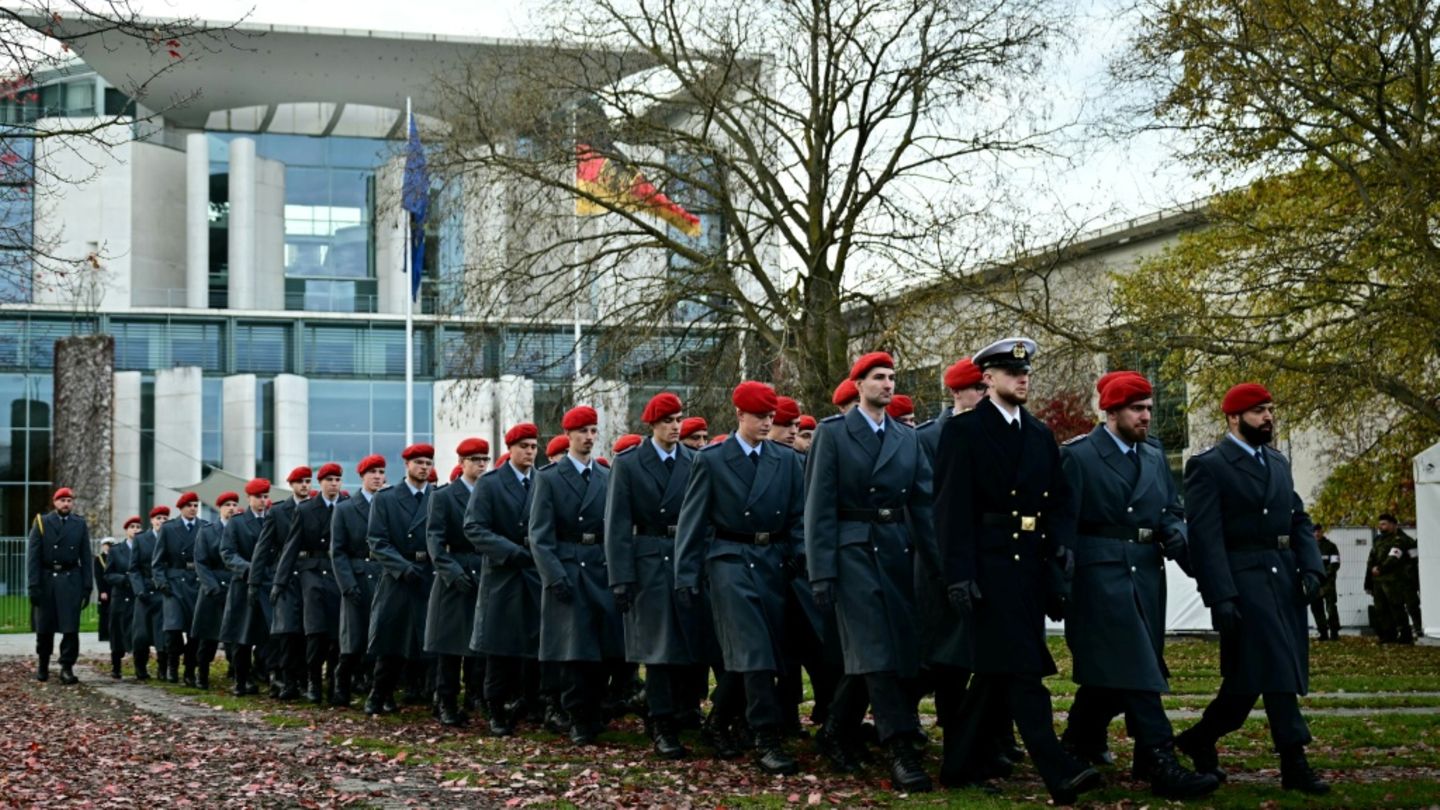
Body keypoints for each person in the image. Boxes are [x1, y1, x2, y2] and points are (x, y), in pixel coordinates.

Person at [932, 337, 1101, 804]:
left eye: (1025, 371)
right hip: (987, 568)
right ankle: (1057, 767)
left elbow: (1061, 499)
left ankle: (958, 763)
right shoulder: (964, 432)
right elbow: (950, 510)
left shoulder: (1039, 434)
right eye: (1010, 372)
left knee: (995, 674)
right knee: (1022, 670)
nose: (1022, 378)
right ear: (987, 378)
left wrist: (1062, 546)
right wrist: (958, 574)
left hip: (1029, 567)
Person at [1057, 372, 1217, 799]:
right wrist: (1060, 583)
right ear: (1111, 412)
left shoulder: (1153, 453)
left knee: (1117, 672)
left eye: (1148, 408)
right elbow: (1063, 526)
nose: (1147, 416)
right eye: (1136, 409)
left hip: (1146, 573)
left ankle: (1078, 740)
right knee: (1139, 666)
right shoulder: (1079, 455)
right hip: (1099, 573)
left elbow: (1167, 510)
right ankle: (1160, 759)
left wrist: (1192, 556)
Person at [1175, 382, 1329, 794]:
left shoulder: (1277, 462)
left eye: (1271, 410)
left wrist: (1312, 568)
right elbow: (1205, 538)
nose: (1268, 418)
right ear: (1233, 417)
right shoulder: (1210, 466)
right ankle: (1294, 761)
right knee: (1277, 669)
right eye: (1259, 411)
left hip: (1282, 578)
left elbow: (1297, 517)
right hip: (1244, 581)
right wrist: (1220, 596)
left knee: (1245, 685)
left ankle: (1199, 738)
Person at [805, 352, 936, 791]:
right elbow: (818, 508)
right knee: (876, 650)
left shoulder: (906, 436)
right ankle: (898, 745)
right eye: (878, 377)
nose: (887, 384)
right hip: (851, 553)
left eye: (892, 377)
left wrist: (939, 565)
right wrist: (821, 571)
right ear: (858, 385)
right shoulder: (833, 434)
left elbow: (922, 504)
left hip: (896, 551)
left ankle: (835, 731)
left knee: (884, 650)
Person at [676, 381, 807, 775]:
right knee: (754, 651)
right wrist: (686, 575)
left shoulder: (785, 460)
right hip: (729, 559)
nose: (767, 423)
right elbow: (692, 521)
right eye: (759, 417)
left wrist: (800, 555)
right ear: (739, 415)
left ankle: (719, 721)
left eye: (771, 417)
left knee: (758, 651)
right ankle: (764, 736)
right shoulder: (713, 459)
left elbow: (799, 516)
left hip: (773, 561)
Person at [605, 393, 701, 758]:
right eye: (668, 421)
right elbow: (617, 525)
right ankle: (661, 722)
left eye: (679, 419)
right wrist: (620, 578)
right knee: (657, 650)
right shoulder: (628, 464)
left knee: (687, 644)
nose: (676, 427)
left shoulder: (694, 461)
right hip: (647, 560)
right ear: (653, 424)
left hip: (685, 556)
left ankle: (682, 712)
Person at [530, 405, 624, 744]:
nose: (588, 438)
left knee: (602, 647)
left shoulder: (606, 475)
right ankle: (578, 716)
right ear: (567, 435)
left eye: (593, 431)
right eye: (582, 431)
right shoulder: (548, 478)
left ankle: (596, 710)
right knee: (574, 651)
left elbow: (616, 527)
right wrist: (554, 576)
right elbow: (539, 535)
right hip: (568, 567)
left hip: (600, 565)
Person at [467, 424, 545, 735]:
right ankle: (496, 709)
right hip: (504, 574)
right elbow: (474, 527)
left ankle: (531, 704)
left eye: (534, 446)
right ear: (510, 448)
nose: (529, 452)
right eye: (524, 446)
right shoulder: (491, 483)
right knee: (500, 648)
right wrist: (511, 552)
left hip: (536, 573)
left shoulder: (543, 480)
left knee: (535, 646)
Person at [365, 444, 436, 715]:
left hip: (429, 572)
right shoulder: (386, 498)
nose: (424, 467)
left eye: (428, 463)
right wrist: (402, 567)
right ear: (406, 465)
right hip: (398, 575)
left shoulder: (437, 496)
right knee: (391, 638)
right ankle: (378, 693)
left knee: (430, 638)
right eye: (418, 462)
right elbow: (377, 541)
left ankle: (433, 696)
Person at [426, 438, 490, 726]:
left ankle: (474, 698)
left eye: (484, 459)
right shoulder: (444, 496)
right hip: (454, 575)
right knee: (450, 647)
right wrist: (451, 573)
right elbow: (435, 542)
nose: (481, 464)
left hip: (485, 571)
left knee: (478, 646)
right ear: (461, 463)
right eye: (475, 459)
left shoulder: (489, 492)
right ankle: (446, 702)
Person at [277, 463, 347, 704]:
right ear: (320, 483)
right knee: (316, 632)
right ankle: (313, 683)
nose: (333, 483)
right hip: (312, 573)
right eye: (328, 479)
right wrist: (280, 581)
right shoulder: (307, 509)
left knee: (339, 634)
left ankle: (337, 685)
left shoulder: (346, 507)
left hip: (339, 573)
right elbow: (291, 546)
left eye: (337, 479)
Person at [252, 467, 313, 699]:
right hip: (284, 577)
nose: (305, 485)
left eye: (308, 481)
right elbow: (263, 547)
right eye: (300, 482)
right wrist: (254, 581)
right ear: (291, 485)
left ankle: (305, 680)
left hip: (310, 574)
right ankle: (286, 680)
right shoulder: (278, 512)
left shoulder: (317, 508)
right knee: (286, 631)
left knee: (309, 631)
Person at [332, 455, 386, 705]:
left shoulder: (387, 504)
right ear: (362, 476)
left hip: (383, 576)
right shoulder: (345, 508)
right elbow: (338, 550)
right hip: (356, 576)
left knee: (380, 639)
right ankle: (341, 685)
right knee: (352, 640)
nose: (378, 476)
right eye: (372, 472)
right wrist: (347, 584)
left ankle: (377, 689)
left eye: (381, 472)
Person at [27, 487, 93, 684]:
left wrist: (87, 586)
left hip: (71, 579)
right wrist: (33, 585)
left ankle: (67, 667)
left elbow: (85, 557)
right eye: (62, 500)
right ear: (55, 503)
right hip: (47, 580)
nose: (66, 504)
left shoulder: (79, 524)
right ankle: (43, 664)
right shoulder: (42, 522)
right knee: (44, 627)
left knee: (70, 628)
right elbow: (33, 558)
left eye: (69, 500)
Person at [221, 479, 271, 696]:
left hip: (269, 583)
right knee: (243, 637)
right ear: (249, 498)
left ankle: (268, 675)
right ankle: (241, 680)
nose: (262, 501)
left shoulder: (272, 519)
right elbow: (227, 553)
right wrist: (250, 569)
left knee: (268, 635)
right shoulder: (237, 522)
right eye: (259, 497)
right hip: (244, 584)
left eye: (265, 496)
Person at [153, 491, 207, 687]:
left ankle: (190, 669)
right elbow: (157, 561)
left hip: (197, 582)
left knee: (195, 630)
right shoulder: (169, 528)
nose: (193, 508)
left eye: (195, 505)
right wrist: (162, 583)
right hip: (174, 584)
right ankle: (172, 665)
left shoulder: (204, 527)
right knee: (173, 629)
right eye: (189, 505)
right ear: (181, 508)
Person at [192, 492, 239, 690]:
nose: (231, 508)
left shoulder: (240, 529)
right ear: (219, 507)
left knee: (235, 636)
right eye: (227, 504)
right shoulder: (207, 531)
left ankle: (238, 674)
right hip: (212, 588)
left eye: (235, 504)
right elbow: (200, 562)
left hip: (235, 585)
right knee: (208, 636)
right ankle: (202, 673)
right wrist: (212, 587)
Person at [130, 506, 170, 681]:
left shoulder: (171, 538)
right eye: (159, 518)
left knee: (163, 633)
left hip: (164, 592)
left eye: (165, 518)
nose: (162, 521)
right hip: (144, 592)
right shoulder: (141, 539)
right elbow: (134, 569)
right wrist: (139, 590)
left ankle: (163, 668)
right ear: (152, 520)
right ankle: (140, 666)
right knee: (141, 635)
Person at [102, 517, 144, 679]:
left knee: (138, 633)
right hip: (120, 596)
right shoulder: (116, 550)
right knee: (117, 632)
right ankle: (116, 666)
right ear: (126, 530)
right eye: (132, 526)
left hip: (137, 596)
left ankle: (140, 667)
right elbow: (108, 574)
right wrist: (124, 579)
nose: (135, 530)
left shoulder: (145, 548)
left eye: (138, 527)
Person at [1369, 514, 1419, 644]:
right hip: (1379, 581)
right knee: (1381, 609)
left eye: (1384, 524)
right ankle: (1388, 635)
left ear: (1393, 524)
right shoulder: (1378, 540)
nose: (1381, 527)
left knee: (1396, 608)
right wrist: (1368, 580)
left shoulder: (1400, 539)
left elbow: (1394, 558)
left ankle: (1406, 634)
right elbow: (1372, 559)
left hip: (1395, 581)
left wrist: (1380, 569)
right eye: (1380, 524)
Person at [1311, 525, 1341, 641]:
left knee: (1331, 608)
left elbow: (1334, 564)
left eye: (1319, 531)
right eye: (1314, 532)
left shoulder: (1330, 546)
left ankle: (1334, 632)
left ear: (1322, 532)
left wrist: (1324, 575)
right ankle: (1323, 632)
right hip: (1314, 582)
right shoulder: (1309, 547)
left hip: (1328, 582)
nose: (1317, 534)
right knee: (1316, 608)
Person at [95, 538, 113, 643]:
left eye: (111, 544)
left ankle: (112, 634)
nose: (109, 546)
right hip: (104, 590)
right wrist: (102, 591)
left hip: (113, 589)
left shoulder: (114, 556)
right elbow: (98, 576)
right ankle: (103, 635)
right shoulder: (99, 558)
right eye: (107, 544)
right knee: (104, 613)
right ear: (103, 545)